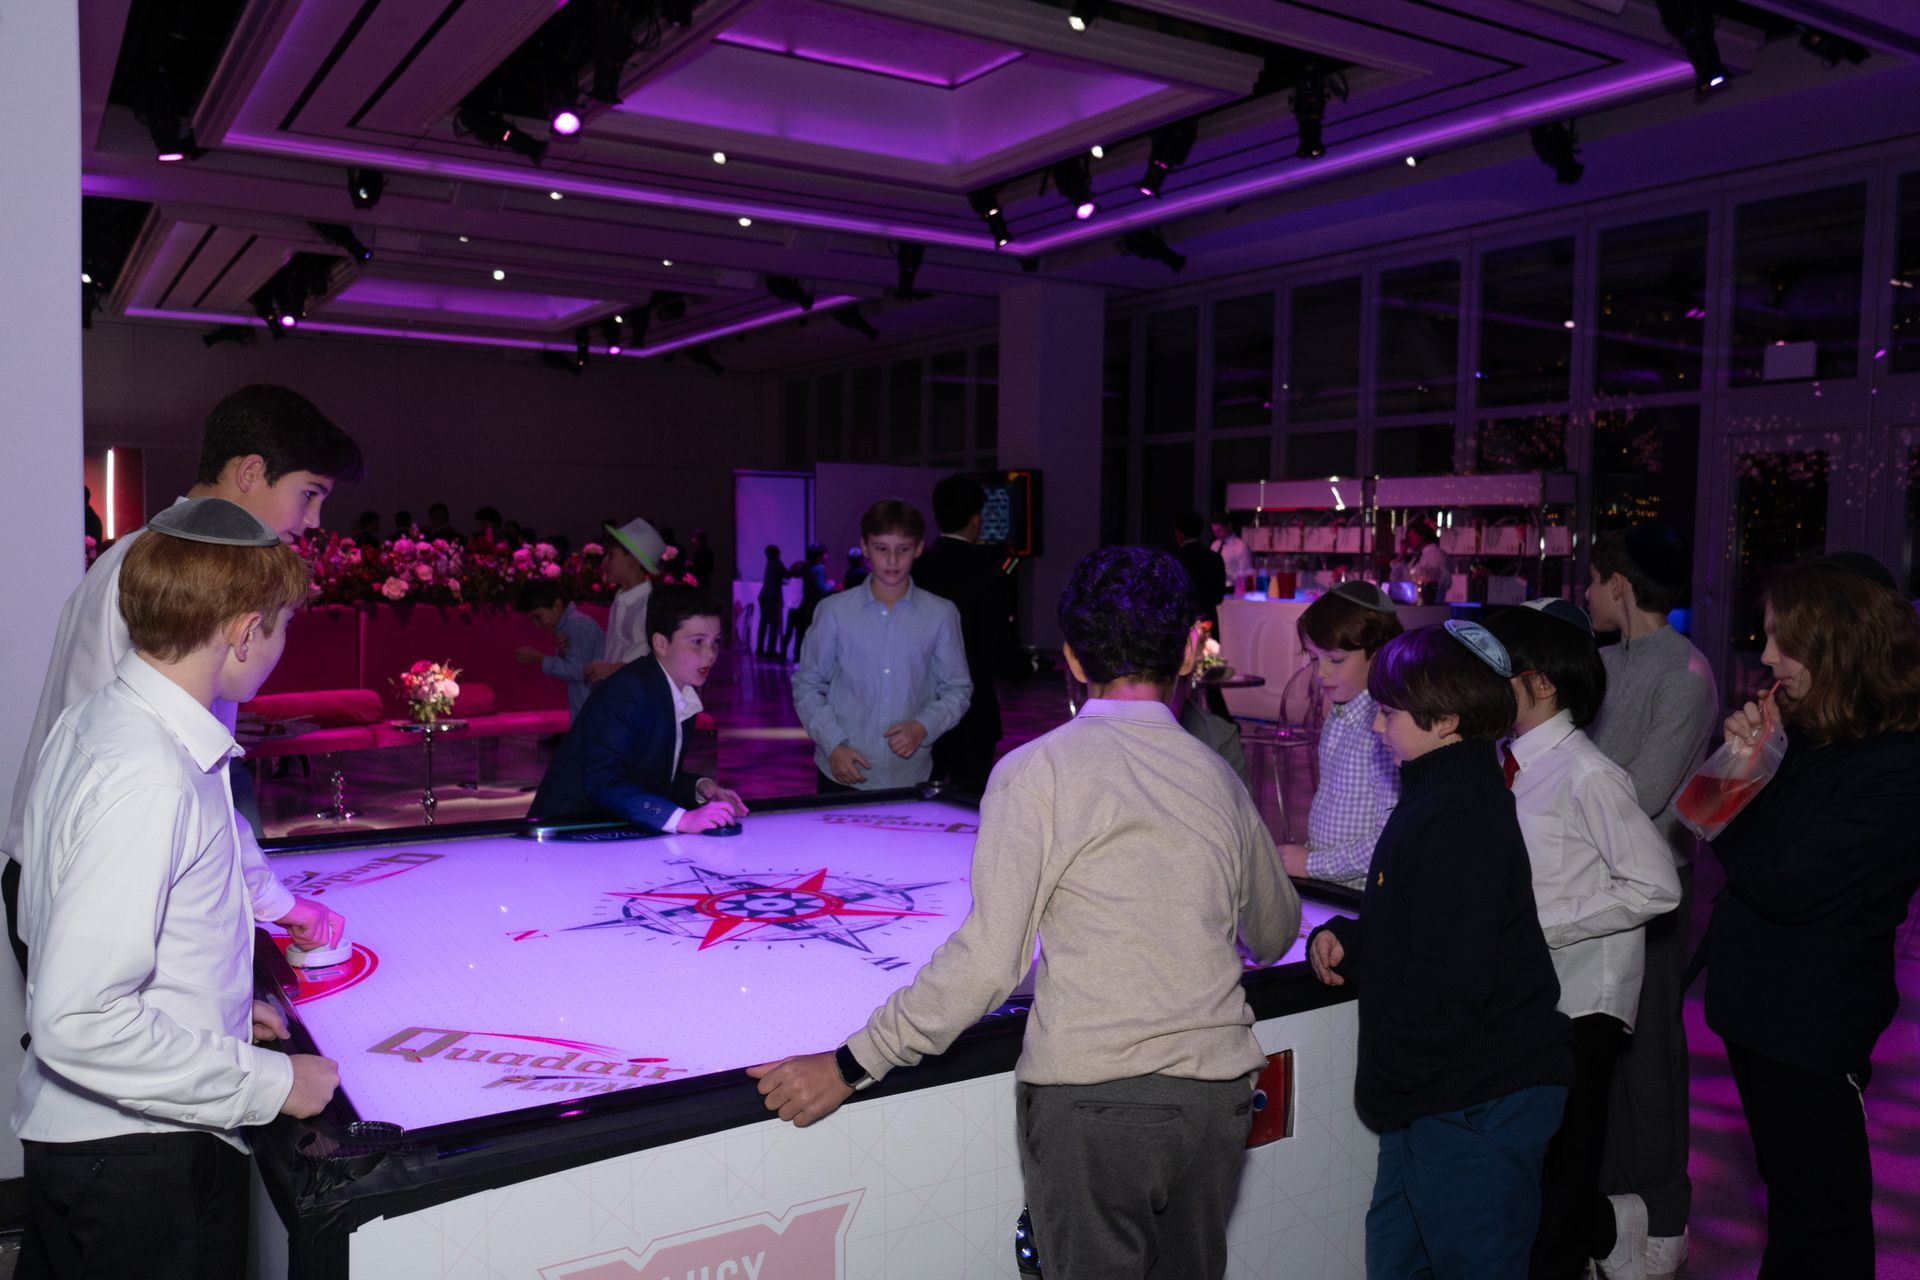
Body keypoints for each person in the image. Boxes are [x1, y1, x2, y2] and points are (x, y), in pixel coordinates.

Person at [750, 546, 1300, 1280]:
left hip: (1096, 1106)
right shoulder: (1216, 778)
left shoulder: (1037, 772)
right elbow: (1273, 930)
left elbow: (986, 962)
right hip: (1216, 1101)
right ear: (1187, 656)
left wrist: (851, 1063)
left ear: (1070, 659)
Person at [11, 498, 341, 1280]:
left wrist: (219, 1009)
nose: (282, 642)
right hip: (138, 1164)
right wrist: (273, 1082)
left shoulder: (105, 718)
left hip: (81, 1142)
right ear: (241, 631)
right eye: (283, 623)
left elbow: (53, 911)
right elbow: (79, 1019)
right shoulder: (151, 771)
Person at [4, 384, 361, 978]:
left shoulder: (155, 560)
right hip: (87, 884)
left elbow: (202, 784)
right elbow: (169, 785)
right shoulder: (163, 573)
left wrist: (265, 902)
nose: (314, 520)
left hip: (90, 872)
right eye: (310, 493)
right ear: (251, 472)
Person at [1308, 622, 1573, 1278]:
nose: (1376, 728)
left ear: (1445, 719)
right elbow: (1424, 916)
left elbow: (1451, 983)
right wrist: (1354, 937)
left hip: (1479, 1100)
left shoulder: (1457, 813)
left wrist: (1388, 1075)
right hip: (1439, 1098)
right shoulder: (1442, 792)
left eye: (1390, 714)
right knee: (1398, 1255)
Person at [1702, 555, 1920, 1279]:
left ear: (1838, 646)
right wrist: (1742, 760)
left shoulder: (1897, 765)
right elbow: (1702, 813)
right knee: (1796, 1203)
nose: (1764, 657)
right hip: (1760, 1011)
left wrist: (1742, 785)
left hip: (1810, 1023)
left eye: (1781, 640)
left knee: (1821, 1223)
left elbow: (1780, 882)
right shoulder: (1820, 734)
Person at [1485, 602, 1680, 1280]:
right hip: (1536, 993)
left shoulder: (1588, 774)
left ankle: (1594, 1236)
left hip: (1583, 1000)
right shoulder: (1510, 765)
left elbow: (1656, 886)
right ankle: (1605, 1224)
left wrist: (1543, 925)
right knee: (1536, 1164)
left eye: (1494, 672)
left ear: (1539, 684)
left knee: (1563, 1166)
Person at [1585, 527, 1718, 1279]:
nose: (1587, 594)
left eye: (1594, 581)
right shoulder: (1603, 663)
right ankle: (1609, 1212)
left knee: (1652, 1053)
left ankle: (1665, 1216)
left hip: (1654, 887)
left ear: (1621, 585)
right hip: (1592, 883)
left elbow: (1645, 790)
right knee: (1602, 1046)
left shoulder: (1686, 673)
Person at [531, 585, 749, 834]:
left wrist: (700, 788)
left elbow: (650, 777)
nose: (710, 654)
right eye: (697, 642)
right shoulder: (626, 692)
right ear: (661, 643)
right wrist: (683, 820)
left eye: (716, 642)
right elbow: (605, 783)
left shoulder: (679, 693)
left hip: (608, 829)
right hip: (566, 833)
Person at [792, 501, 970, 793]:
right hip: (841, 768)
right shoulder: (834, 611)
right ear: (864, 547)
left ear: (919, 549)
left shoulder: (940, 614)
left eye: (903, 549)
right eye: (881, 548)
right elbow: (807, 684)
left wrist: (924, 726)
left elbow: (958, 688)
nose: (892, 560)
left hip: (910, 773)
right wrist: (833, 745)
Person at [1277, 582, 1403, 889]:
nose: (1321, 673)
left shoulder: (1383, 728)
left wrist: (1312, 863)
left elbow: (1390, 838)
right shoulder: (1339, 713)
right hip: (1332, 879)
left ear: (1378, 653)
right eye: (1313, 657)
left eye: (1335, 660)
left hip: (1362, 891)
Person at [912, 474, 1013, 796]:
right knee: (969, 800)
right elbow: (998, 647)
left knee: (920, 796)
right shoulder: (989, 571)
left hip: (920, 703)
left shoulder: (918, 567)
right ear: (975, 519)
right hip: (974, 706)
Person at [584, 516, 664, 684]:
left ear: (631, 562)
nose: (604, 562)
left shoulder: (651, 606)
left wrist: (612, 670)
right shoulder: (621, 600)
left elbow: (659, 663)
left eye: (611, 555)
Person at [513, 579, 606, 720]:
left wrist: (540, 658)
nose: (536, 625)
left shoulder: (578, 624)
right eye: (532, 620)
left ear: (557, 606)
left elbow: (577, 672)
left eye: (538, 617)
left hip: (595, 713)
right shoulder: (569, 626)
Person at [1172, 511, 1228, 627]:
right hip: (1208, 621)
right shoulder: (1215, 558)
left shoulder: (1176, 559)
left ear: (1179, 533)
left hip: (1182, 624)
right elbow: (1218, 596)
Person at [786, 543, 833, 662]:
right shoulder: (819, 569)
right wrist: (831, 584)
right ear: (819, 557)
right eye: (825, 554)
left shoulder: (807, 568)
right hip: (814, 607)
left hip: (806, 606)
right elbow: (822, 589)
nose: (827, 557)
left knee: (804, 634)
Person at [755, 545, 789, 658]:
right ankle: (770, 650)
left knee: (763, 623)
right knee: (774, 624)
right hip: (772, 598)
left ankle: (760, 649)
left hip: (764, 596)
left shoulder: (769, 563)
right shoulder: (777, 564)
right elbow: (787, 575)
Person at [1211, 509, 1252, 589]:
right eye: (1214, 531)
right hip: (1215, 588)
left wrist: (1225, 574)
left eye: (1219, 530)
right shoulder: (1214, 545)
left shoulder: (1241, 546)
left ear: (1229, 526)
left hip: (1232, 588)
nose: (1216, 534)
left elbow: (1246, 573)